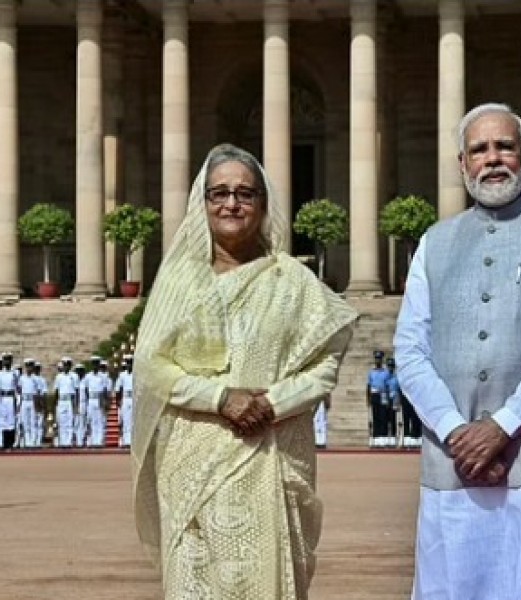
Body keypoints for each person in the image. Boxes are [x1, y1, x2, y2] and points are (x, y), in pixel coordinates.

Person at [131, 143, 357, 599]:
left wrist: (273, 403)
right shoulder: (178, 283)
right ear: (203, 204)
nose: (231, 203)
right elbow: (151, 365)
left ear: (263, 204)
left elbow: (325, 362)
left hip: (269, 451)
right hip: (193, 467)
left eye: (244, 193)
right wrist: (219, 398)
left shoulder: (291, 280)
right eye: (219, 194)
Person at [394, 103, 521, 599]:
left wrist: (503, 425)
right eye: (479, 149)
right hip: (452, 460)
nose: (493, 159)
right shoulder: (434, 243)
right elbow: (409, 348)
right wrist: (455, 430)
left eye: (504, 146)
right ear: (462, 164)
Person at [367, 350, 390, 448]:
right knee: (375, 416)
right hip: (374, 394)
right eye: (376, 359)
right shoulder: (371, 372)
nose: (378, 361)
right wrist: (368, 399)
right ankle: (376, 438)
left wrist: (388, 399)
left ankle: (383, 437)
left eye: (379, 359)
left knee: (383, 416)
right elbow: (368, 386)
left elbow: (388, 386)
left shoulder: (386, 372)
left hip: (383, 394)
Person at [52, 359, 76, 448]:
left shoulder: (73, 376)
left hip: (69, 400)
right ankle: (62, 442)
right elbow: (56, 391)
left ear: (70, 367)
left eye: (68, 365)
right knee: (62, 422)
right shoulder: (59, 377)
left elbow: (75, 392)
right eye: (65, 365)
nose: (66, 367)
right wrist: (55, 403)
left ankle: (68, 442)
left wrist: (75, 405)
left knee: (69, 421)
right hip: (61, 401)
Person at [115, 355, 135, 449]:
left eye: (130, 363)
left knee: (133, 421)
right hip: (126, 398)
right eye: (128, 363)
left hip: (134, 399)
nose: (129, 365)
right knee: (126, 420)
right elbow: (118, 389)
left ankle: (132, 441)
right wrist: (118, 401)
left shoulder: (137, 374)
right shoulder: (122, 375)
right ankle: (127, 441)